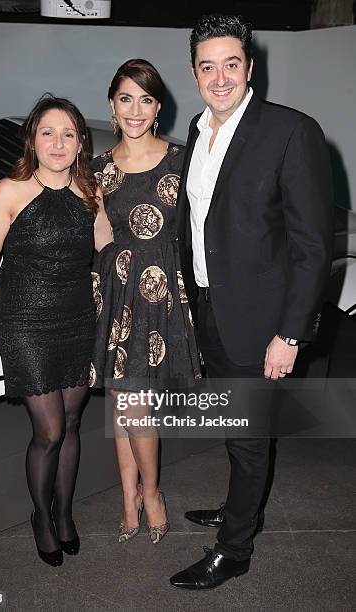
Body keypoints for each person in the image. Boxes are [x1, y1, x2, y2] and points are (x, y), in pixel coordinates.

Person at [170, 14, 333, 589]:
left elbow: (313, 246)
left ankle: (234, 548)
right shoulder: (196, 130)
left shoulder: (291, 131)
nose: (220, 78)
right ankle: (241, 506)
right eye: (207, 66)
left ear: (250, 68)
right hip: (210, 310)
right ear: (194, 74)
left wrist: (289, 334)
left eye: (230, 64)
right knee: (235, 427)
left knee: (247, 433)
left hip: (262, 321)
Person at [0, 94, 109, 567]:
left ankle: (64, 512)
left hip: (79, 319)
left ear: (80, 141)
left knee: (75, 422)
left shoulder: (91, 190)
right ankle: (41, 515)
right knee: (50, 429)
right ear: (33, 140)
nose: (58, 142)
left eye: (68, 133)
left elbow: (110, 252)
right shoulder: (9, 191)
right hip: (27, 324)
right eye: (48, 132)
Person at [90, 59, 202, 545]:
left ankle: (149, 493)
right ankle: (129, 496)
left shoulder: (182, 159)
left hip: (164, 294)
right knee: (124, 404)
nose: (136, 110)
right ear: (111, 105)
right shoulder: (96, 170)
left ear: (159, 107)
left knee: (137, 408)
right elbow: (98, 240)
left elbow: (201, 230)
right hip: (116, 295)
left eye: (146, 99)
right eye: (126, 98)